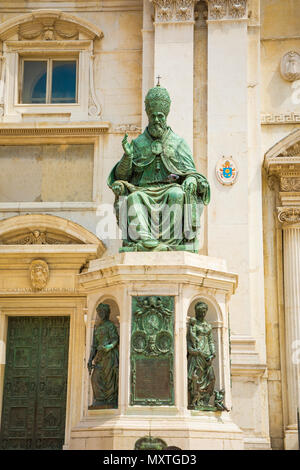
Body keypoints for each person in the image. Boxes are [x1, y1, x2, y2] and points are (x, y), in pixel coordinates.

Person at [107, 84, 210, 252]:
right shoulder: (138, 144)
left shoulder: (178, 143)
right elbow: (121, 176)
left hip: (170, 188)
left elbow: (192, 173)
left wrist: (191, 179)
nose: (156, 120)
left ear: (166, 116)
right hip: (143, 190)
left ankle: (172, 244)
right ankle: (145, 240)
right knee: (134, 198)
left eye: (160, 116)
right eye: (153, 116)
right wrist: (128, 156)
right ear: (148, 115)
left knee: (176, 194)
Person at [88, 303, 119, 408]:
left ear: (107, 313)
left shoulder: (110, 325)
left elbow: (115, 339)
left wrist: (109, 347)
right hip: (100, 356)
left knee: (109, 379)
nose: (101, 314)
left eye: (103, 312)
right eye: (99, 312)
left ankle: (110, 400)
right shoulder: (97, 328)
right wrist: (90, 359)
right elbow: (94, 346)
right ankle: (100, 400)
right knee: (95, 378)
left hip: (109, 355)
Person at [187, 301, 216, 409]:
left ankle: (205, 400)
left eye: (204, 311)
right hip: (197, 356)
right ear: (196, 312)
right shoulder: (194, 325)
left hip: (207, 356)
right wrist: (195, 351)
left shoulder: (208, 326)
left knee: (211, 378)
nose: (202, 314)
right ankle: (196, 400)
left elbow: (211, 341)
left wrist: (213, 353)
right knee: (196, 378)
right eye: (200, 312)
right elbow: (190, 340)